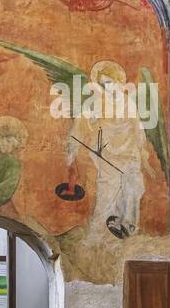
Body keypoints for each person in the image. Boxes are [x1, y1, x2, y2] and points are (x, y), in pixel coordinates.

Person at [66, 61, 157, 239]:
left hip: (130, 155)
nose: (107, 88)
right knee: (107, 193)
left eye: (110, 83)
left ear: (119, 82)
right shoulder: (98, 104)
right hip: (109, 156)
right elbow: (86, 121)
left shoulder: (129, 104)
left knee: (132, 190)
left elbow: (138, 130)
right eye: (103, 84)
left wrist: (143, 156)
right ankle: (98, 233)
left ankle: (127, 228)